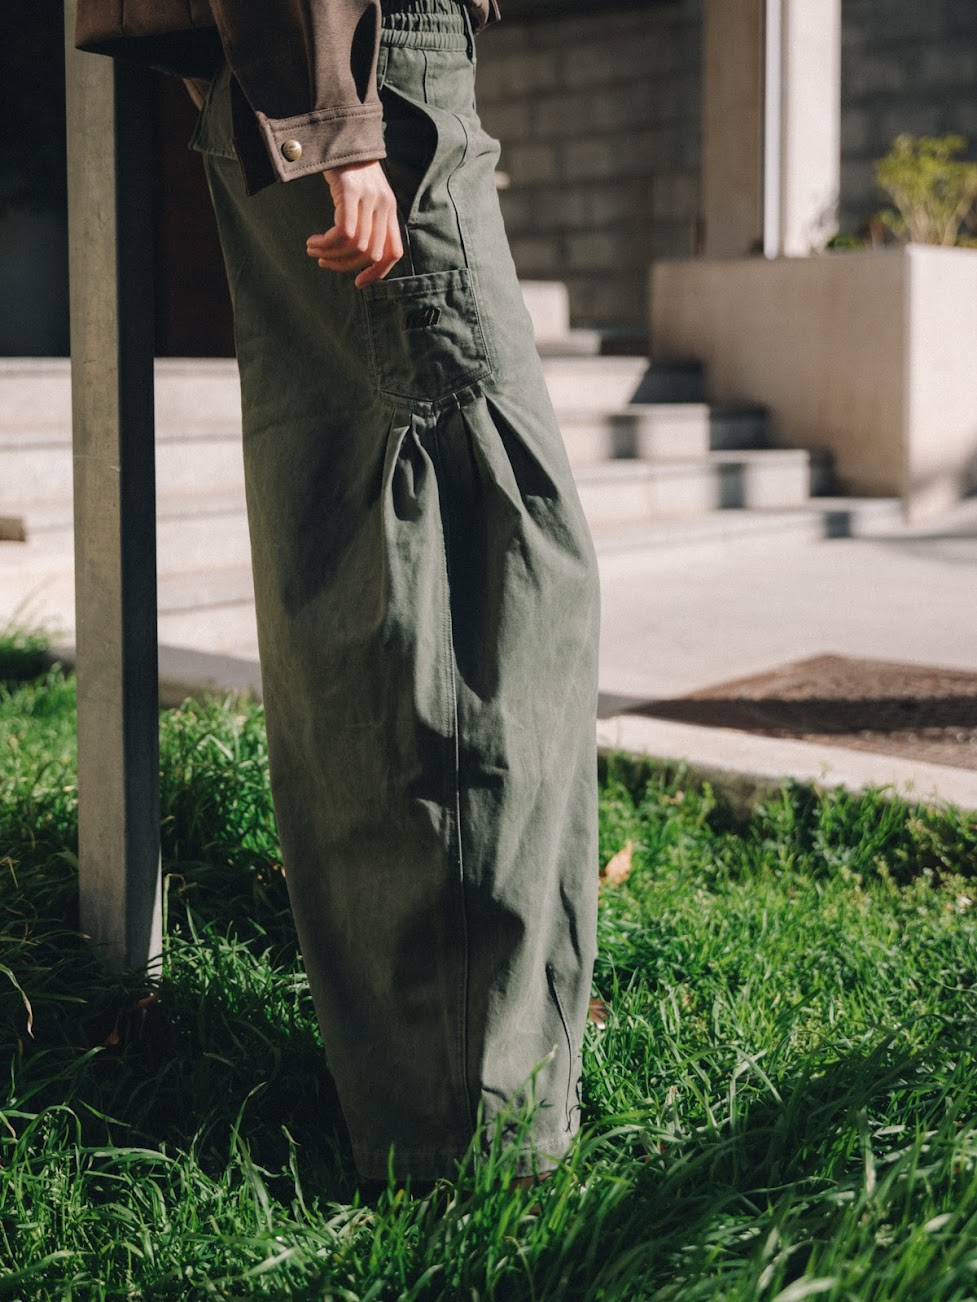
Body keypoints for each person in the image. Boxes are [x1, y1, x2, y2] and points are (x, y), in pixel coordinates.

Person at [75, 0, 601, 1187]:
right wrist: (336, 123)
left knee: (383, 566)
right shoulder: (349, 110)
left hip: (333, 72)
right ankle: (469, 1136)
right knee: (481, 580)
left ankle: (437, 1096)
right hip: (367, 75)